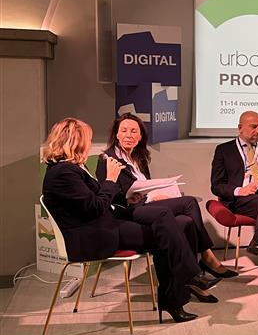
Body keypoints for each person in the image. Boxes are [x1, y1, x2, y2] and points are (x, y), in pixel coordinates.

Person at [41, 118, 213, 323]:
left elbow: (98, 201)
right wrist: (111, 179)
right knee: (165, 233)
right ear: (75, 141)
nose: (90, 144)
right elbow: (95, 207)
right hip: (96, 235)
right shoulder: (63, 173)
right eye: (88, 139)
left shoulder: (72, 168)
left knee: (170, 220)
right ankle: (183, 287)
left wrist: (127, 199)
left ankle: (187, 280)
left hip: (107, 221)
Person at [96, 113, 236, 303]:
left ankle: (190, 284)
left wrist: (155, 195)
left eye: (134, 131)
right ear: (117, 134)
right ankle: (207, 257)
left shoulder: (138, 158)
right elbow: (109, 196)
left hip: (146, 206)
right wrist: (148, 197)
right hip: (126, 213)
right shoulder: (107, 159)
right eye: (124, 131)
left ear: (140, 136)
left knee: (185, 221)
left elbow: (144, 187)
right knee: (189, 202)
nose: (129, 135)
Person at [210, 111, 258, 289]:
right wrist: (241, 190)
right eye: (254, 127)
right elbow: (216, 185)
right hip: (242, 200)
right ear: (240, 128)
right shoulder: (224, 150)